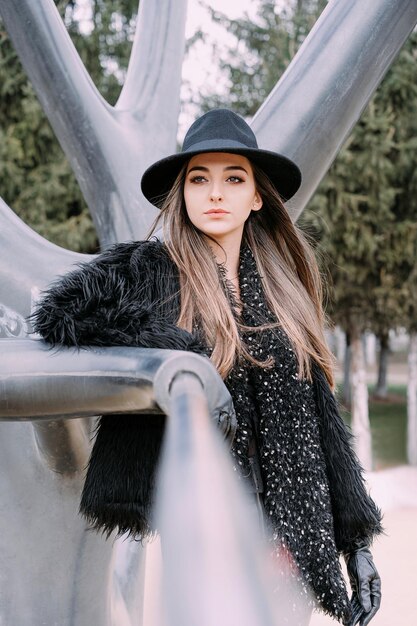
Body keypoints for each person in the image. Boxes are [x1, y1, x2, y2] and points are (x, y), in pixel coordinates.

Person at [32, 109, 382, 625]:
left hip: (294, 541)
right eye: (199, 179)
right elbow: (61, 312)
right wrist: (175, 352)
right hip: (207, 537)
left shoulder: (285, 292)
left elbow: (322, 422)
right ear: (183, 193)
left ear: (256, 196)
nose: (215, 193)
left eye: (233, 178)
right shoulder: (154, 271)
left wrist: (356, 544)